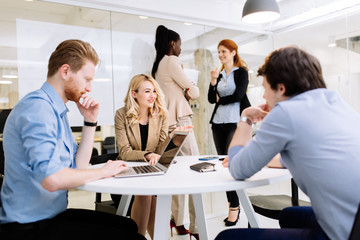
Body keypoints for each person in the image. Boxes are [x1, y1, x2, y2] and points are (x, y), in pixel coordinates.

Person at [0, 39, 144, 240]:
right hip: (28, 227)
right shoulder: (38, 108)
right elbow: (53, 180)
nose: (89, 88)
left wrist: (90, 121)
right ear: (65, 71)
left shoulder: (55, 110)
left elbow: (79, 167)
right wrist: (103, 171)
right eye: (87, 79)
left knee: (128, 225)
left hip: (51, 215)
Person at [215, 46, 360, 240]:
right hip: (355, 218)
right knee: (289, 216)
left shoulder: (285, 113)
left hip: (346, 234)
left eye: (266, 88)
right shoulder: (335, 102)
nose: (264, 96)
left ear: (281, 89)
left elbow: (238, 170)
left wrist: (245, 118)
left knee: (227, 238)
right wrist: (261, 157)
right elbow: (298, 159)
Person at [151, 25, 200, 239]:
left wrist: (183, 91)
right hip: (181, 123)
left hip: (169, 124)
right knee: (196, 171)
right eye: (180, 43)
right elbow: (195, 92)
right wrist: (188, 90)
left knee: (177, 172)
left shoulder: (159, 64)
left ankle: (177, 221)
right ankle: (197, 229)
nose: (181, 47)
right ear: (172, 43)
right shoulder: (172, 61)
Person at [114, 74, 168, 238]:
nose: (152, 95)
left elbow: (161, 150)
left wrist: (176, 138)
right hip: (126, 173)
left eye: (154, 91)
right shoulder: (121, 115)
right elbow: (124, 152)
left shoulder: (161, 115)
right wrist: (147, 155)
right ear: (134, 93)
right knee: (146, 194)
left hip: (151, 172)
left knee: (153, 199)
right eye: (147, 91)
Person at [208, 39, 250, 227]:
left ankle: (235, 207)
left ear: (233, 52)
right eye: (219, 52)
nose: (221, 55)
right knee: (223, 163)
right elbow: (211, 99)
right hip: (218, 123)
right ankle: (232, 205)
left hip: (234, 121)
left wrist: (220, 98)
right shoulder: (219, 74)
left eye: (224, 51)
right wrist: (212, 81)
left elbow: (239, 95)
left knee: (230, 163)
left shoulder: (241, 73)